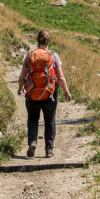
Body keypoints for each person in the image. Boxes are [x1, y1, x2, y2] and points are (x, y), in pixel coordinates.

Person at [17, 29, 72, 158]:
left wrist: (20, 88)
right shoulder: (54, 55)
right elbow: (60, 77)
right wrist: (66, 92)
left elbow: (22, 77)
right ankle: (49, 149)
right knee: (49, 120)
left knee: (32, 119)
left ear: (37, 40)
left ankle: (32, 142)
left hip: (32, 95)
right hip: (49, 95)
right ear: (48, 41)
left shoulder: (30, 55)